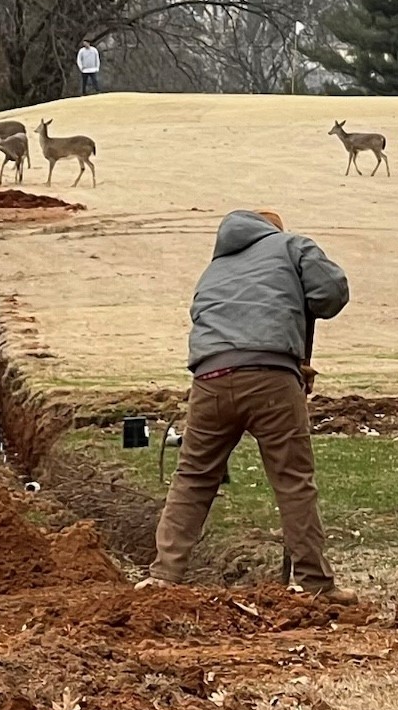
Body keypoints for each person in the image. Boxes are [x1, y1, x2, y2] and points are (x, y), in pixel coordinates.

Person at [136, 209, 357, 604]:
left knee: (193, 476)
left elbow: (222, 326)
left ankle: (164, 575)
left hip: (209, 382)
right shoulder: (291, 245)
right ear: (275, 229)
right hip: (271, 379)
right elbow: (330, 294)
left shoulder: (214, 269)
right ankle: (314, 584)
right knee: (292, 480)